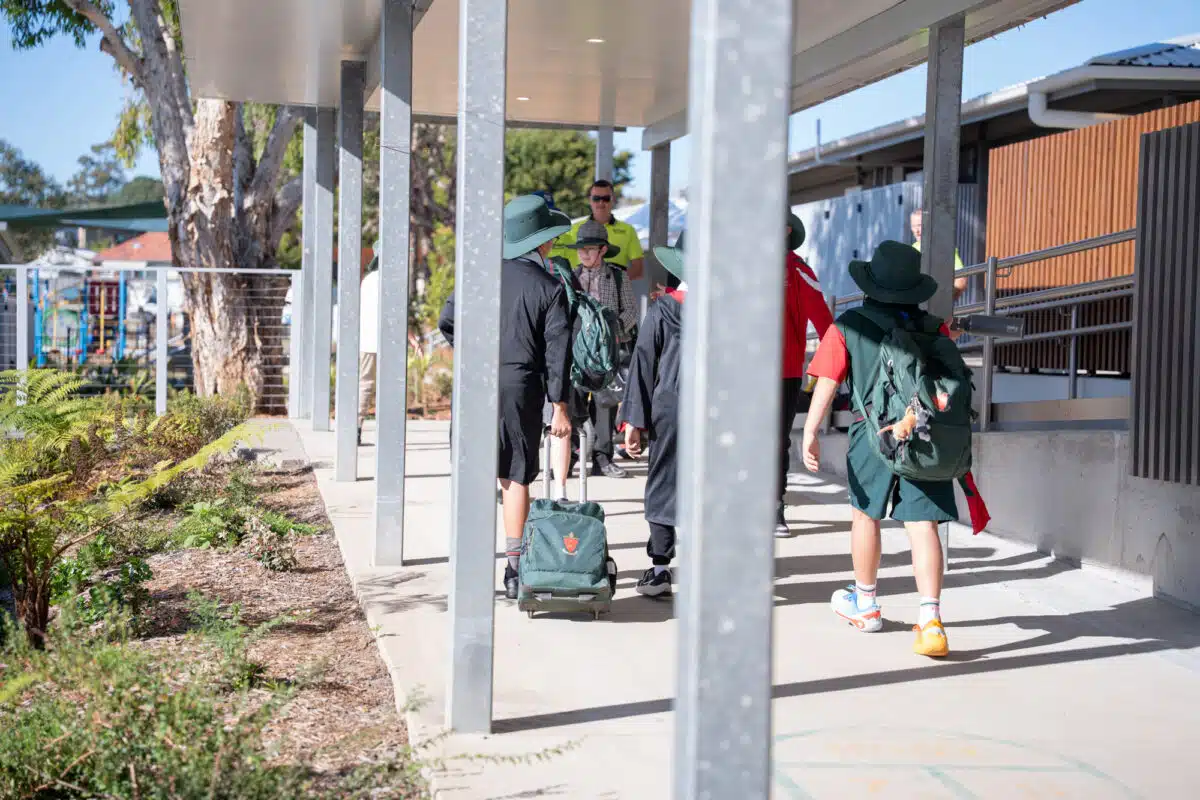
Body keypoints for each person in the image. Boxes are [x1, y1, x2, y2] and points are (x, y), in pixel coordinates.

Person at [801, 241, 962, 658]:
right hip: (922, 434)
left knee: (865, 516)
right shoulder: (932, 327)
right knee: (923, 524)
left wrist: (810, 431)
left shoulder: (849, 325)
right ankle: (931, 621)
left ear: (871, 283)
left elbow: (827, 380)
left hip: (870, 434)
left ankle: (866, 604)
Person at [438, 195, 574, 600]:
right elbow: (557, 355)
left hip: (474, 381)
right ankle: (514, 570)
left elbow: (447, 321)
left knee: (474, 471)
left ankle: (469, 563)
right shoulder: (550, 287)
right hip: (521, 386)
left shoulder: (476, 276)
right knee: (515, 476)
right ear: (541, 241)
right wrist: (560, 406)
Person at [619, 240, 685, 597]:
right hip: (718, 415)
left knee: (663, 483)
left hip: (670, 409)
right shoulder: (728, 313)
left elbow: (643, 364)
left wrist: (634, 421)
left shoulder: (662, 311)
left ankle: (660, 570)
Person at [563, 219, 638, 480]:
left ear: (603, 250)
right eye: (580, 249)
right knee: (573, 402)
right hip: (577, 351)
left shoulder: (618, 276)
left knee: (605, 404)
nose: (583, 254)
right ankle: (570, 456)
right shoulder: (571, 276)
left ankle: (602, 458)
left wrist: (612, 331)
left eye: (589, 249)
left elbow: (630, 312)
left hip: (607, 352)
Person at [777, 213, 834, 536]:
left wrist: (833, 366)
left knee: (776, 441)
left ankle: (774, 506)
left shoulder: (798, 269)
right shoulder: (741, 265)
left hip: (783, 372)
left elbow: (824, 323)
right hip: (741, 370)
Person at [550, 179, 646, 280]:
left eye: (606, 198)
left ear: (613, 199)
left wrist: (614, 283)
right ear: (590, 200)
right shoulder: (573, 229)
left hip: (615, 288)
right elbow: (557, 264)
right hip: (580, 288)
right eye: (596, 198)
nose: (601, 202)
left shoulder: (628, 230)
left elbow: (638, 270)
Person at [909, 209, 968, 301]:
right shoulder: (912, 248)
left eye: (920, 225)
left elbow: (961, 279)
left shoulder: (943, 247)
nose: (916, 231)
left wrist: (944, 300)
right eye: (913, 226)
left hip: (934, 302)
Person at [357, 242, 381, 446]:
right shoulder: (390, 281)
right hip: (386, 342)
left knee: (365, 384)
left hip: (366, 340)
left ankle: (356, 425)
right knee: (390, 385)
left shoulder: (367, 280)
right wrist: (411, 338)